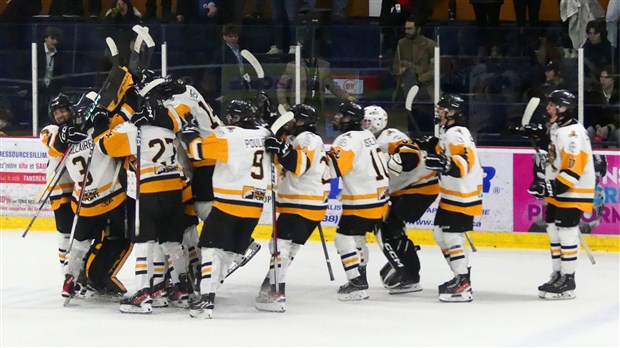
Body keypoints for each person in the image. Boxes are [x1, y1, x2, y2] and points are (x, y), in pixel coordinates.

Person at [96, 81, 190, 314]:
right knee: (172, 242)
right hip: (173, 190)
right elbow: (178, 120)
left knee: (142, 243)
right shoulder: (169, 128)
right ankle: (182, 288)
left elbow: (103, 146)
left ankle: (142, 294)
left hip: (148, 192)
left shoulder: (132, 130)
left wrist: (104, 125)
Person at [182, 100, 270, 319]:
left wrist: (190, 131)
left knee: (212, 251)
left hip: (228, 205)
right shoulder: (266, 134)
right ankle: (209, 293)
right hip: (255, 207)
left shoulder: (228, 135)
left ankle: (206, 300)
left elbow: (197, 151)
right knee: (227, 253)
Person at [41, 92, 131, 304]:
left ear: (72, 110)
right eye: (57, 112)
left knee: (79, 244)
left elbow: (54, 141)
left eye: (63, 110)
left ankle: (70, 279)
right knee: (122, 238)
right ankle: (87, 276)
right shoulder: (94, 133)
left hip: (84, 202)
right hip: (110, 197)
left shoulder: (65, 142)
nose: (61, 115)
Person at [254, 104, 330, 312]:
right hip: (310, 204)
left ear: (301, 121)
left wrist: (281, 148)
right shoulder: (306, 138)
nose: (288, 121)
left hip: (300, 202)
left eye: (291, 119)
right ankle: (272, 281)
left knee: (280, 246)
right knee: (288, 247)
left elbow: (298, 166)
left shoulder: (306, 138)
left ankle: (276, 291)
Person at [362, 105, 439, 294]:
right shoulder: (366, 140)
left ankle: (409, 274)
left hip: (419, 188)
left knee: (389, 228)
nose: (363, 124)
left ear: (378, 122)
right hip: (406, 190)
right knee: (389, 228)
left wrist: (400, 162)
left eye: (367, 121)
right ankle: (406, 265)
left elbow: (410, 157)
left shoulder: (389, 135)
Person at [529, 90, 595, 300]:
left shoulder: (572, 134)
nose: (548, 108)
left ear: (563, 108)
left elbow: (573, 169)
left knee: (566, 232)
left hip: (572, 190)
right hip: (559, 189)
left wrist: (552, 187)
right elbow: (555, 156)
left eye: (552, 104)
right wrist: (538, 138)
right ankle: (558, 273)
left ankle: (568, 280)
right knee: (553, 230)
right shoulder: (559, 128)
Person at [327, 101, 390, 301]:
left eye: (340, 115)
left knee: (343, 238)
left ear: (349, 119)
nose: (336, 118)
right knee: (357, 238)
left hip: (362, 198)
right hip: (379, 197)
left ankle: (356, 283)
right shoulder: (367, 135)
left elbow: (334, 169)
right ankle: (360, 275)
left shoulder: (346, 139)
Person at [423, 94, 483, 303]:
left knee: (451, 236)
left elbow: (463, 162)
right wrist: (432, 148)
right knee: (440, 233)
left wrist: (444, 163)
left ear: (452, 112)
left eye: (442, 109)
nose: (438, 112)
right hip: (452, 193)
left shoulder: (456, 133)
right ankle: (460, 276)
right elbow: (446, 155)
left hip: (463, 194)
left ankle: (463, 282)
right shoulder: (448, 132)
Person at [277, 51, 356, 116]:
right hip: (300, 104)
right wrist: (283, 102)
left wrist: (346, 96)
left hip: (317, 104)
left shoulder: (324, 65)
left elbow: (331, 85)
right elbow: (281, 85)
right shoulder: (293, 65)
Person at [392, 16, 435, 134]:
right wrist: (399, 70)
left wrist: (418, 78)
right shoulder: (401, 43)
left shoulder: (430, 45)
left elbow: (434, 70)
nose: (407, 31)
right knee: (410, 123)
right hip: (407, 87)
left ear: (418, 29)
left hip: (425, 89)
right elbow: (396, 65)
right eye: (406, 29)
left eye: (410, 29)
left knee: (426, 124)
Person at [38, 27, 63, 129]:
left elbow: (61, 74)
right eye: (52, 38)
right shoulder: (37, 51)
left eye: (57, 39)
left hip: (52, 88)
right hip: (37, 87)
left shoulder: (59, 55)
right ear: (45, 38)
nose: (55, 41)